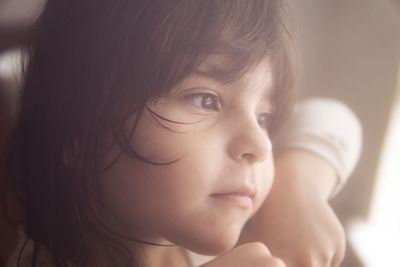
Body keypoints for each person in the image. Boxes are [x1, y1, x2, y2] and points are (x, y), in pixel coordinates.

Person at [2, 0, 363, 267]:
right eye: (205, 99)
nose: (260, 145)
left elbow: (330, 116)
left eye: (264, 116)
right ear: (77, 135)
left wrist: (299, 185)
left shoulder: (215, 221)